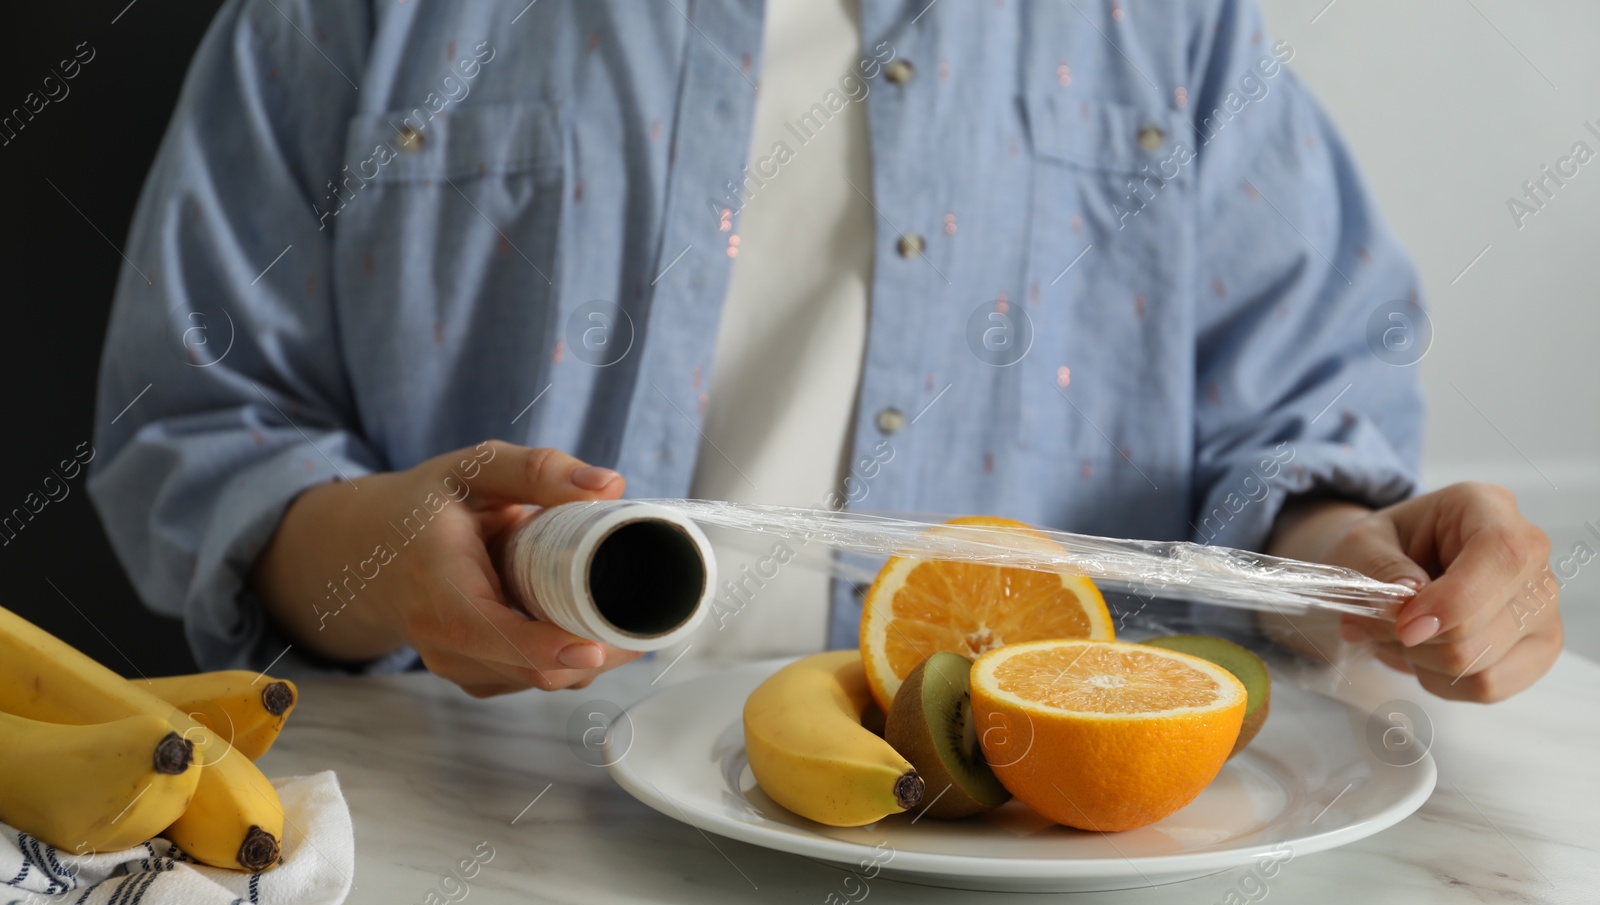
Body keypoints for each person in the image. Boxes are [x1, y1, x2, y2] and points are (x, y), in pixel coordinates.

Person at [90, 0, 1560, 702]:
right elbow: (197, 428)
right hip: (469, 865)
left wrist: (1369, 568)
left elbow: (1292, 447)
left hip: (1031, 879)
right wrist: (378, 554)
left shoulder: (1167, 28)